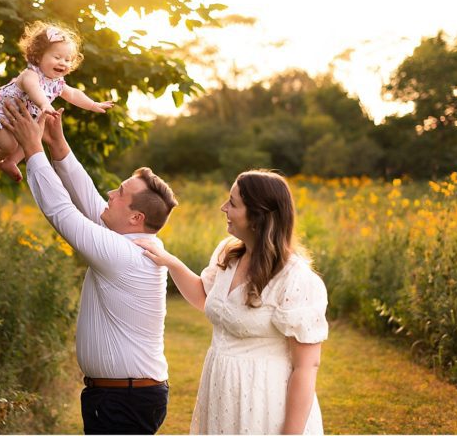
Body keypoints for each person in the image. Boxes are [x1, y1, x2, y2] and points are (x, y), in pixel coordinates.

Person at [0, 98, 176, 434]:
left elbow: (62, 212)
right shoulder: (130, 240)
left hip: (124, 399)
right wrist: (57, 145)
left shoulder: (124, 254)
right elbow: (88, 198)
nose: (110, 193)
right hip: (120, 394)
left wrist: (34, 149)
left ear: (136, 217)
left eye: (120, 192)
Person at [135, 170, 329, 434]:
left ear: (258, 217)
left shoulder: (296, 278)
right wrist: (170, 262)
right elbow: (205, 298)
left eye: (233, 203)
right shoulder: (229, 254)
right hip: (221, 393)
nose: (223, 207)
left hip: (265, 402)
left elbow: (306, 367)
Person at [0, 22, 113, 181]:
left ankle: (11, 162)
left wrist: (92, 105)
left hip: (16, 119)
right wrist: (44, 104)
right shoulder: (30, 74)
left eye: (67, 59)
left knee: (34, 135)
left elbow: (73, 94)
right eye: (57, 57)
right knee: (10, 146)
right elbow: (33, 89)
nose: (63, 62)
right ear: (38, 57)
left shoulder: (57, 83)